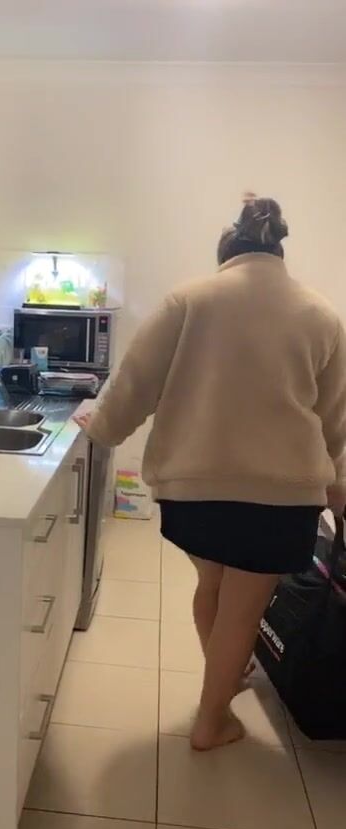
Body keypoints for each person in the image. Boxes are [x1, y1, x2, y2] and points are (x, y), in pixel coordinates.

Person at [75, 194, 346, 751]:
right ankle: (213, 716)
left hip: (194, 492)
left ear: (227, 255)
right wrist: (339, 489)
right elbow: (335, 417)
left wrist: (101, 428)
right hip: (281, 497)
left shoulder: (189, 300)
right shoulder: (321, 315)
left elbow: (135, 381)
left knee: (212, 585)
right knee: (243, 609)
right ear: (278, 252)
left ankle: (221, 686)